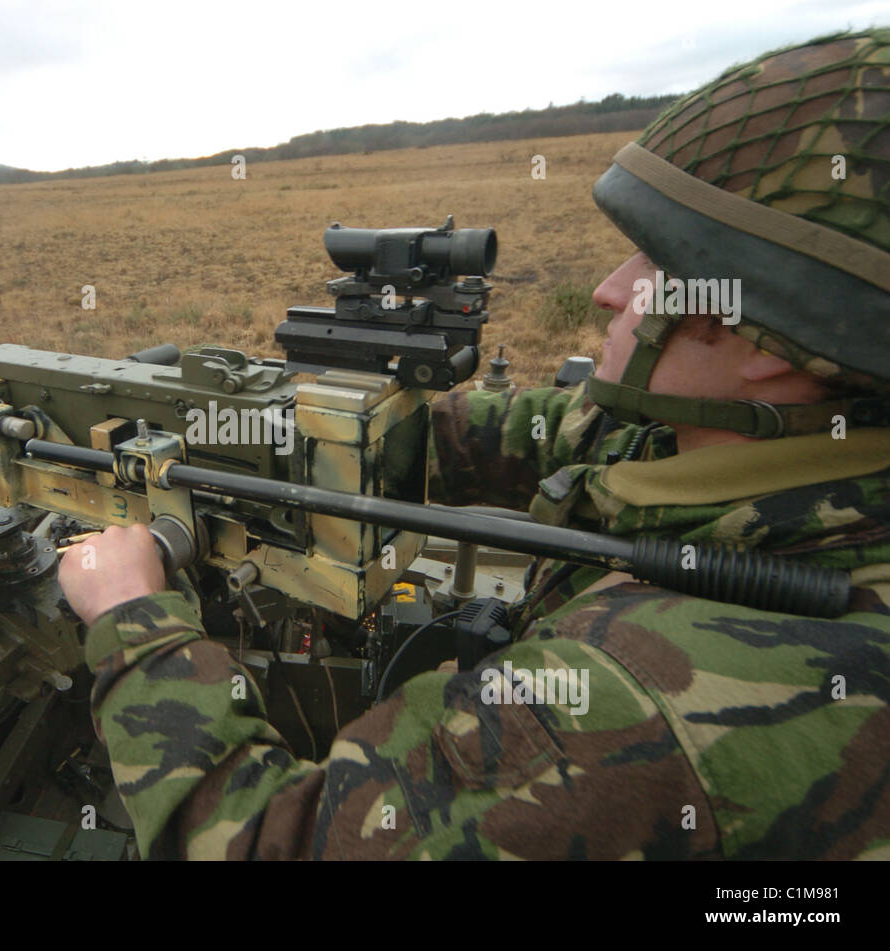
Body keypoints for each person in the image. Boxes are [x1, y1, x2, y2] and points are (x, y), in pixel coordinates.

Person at [57, 29, 890, 859]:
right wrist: (310, 432)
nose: (608, 290)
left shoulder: (638, 710)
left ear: (777, 348)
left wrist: (136, 625)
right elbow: (527, 433)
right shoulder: (747, 445)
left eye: (662, 262)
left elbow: (278, 840)